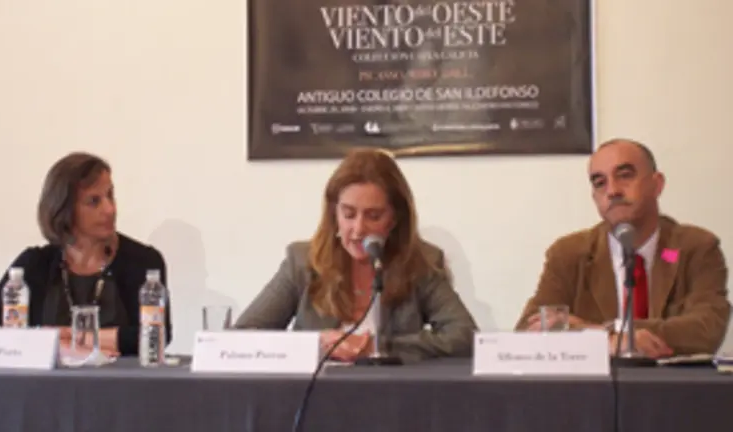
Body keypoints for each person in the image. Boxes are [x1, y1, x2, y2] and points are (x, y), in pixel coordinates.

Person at [234, 148, 477, 363]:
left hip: (393, 400)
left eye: (373, 216)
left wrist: (378, 347)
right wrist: (313, 344)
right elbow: (242, 337)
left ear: (394, 219)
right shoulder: (302, 261)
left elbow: (466, 337)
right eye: (349, 214)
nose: (359, 230)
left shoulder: (421, 262)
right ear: (334, 214)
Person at [516, 138, 730, 357]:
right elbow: (529, 329)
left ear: (657, 184)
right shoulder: (569, 253)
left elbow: (707, 329)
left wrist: (604, 332)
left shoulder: (695, 247)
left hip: (673, 388)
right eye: (600, 183)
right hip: (593, 389)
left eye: (625, 176)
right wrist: (606, 341)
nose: (613, 191)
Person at [0, 152, 172, 356]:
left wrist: (69, 337)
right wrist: (95, 341)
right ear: (64, 209)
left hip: (121, 386)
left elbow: (156, 337)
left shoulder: (143, 261)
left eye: (110, 195)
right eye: (94, 201)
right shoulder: (35, 264)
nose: (110, 209)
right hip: (44, 387)